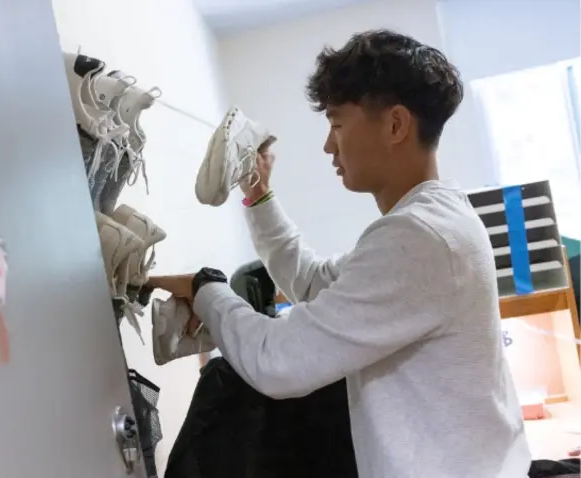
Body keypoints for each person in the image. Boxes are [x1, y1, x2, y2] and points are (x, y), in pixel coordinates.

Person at [148, 29, 531, 477]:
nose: (329, 145)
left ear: (395, 125)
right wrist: (257, 194)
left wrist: (206, 290)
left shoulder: (420, 237)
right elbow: (313, 283)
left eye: (337, 124)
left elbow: (279, 362)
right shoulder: (436, 220)